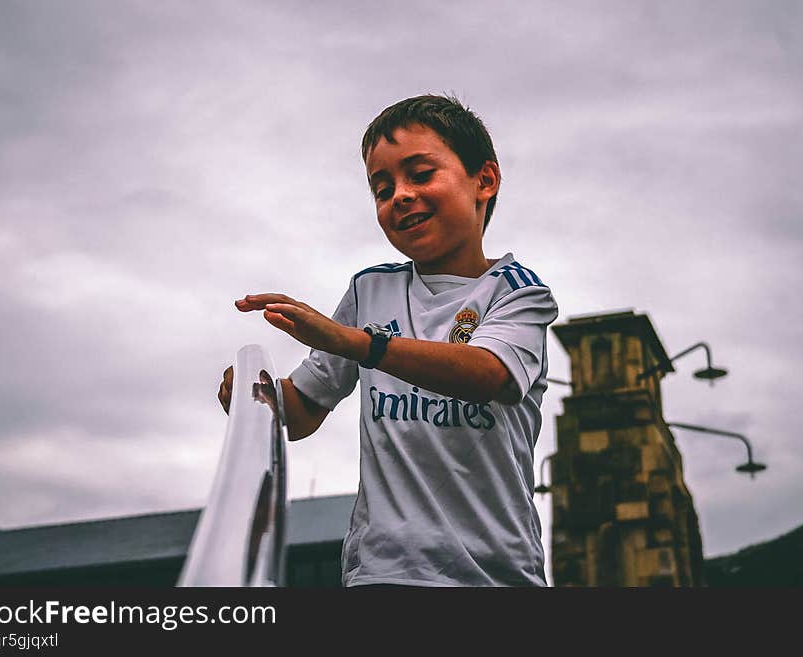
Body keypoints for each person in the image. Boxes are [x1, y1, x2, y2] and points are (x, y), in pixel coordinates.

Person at [218, 94, 558, 587]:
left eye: (420, 175)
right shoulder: (370, 290)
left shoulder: (519, 293)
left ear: (485, 180)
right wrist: (254, 394)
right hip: (385, 574)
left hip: (496, 576)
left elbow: (491, 375)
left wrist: (360, 344)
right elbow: (304, 410)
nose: (399, 195)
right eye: (382, 188)